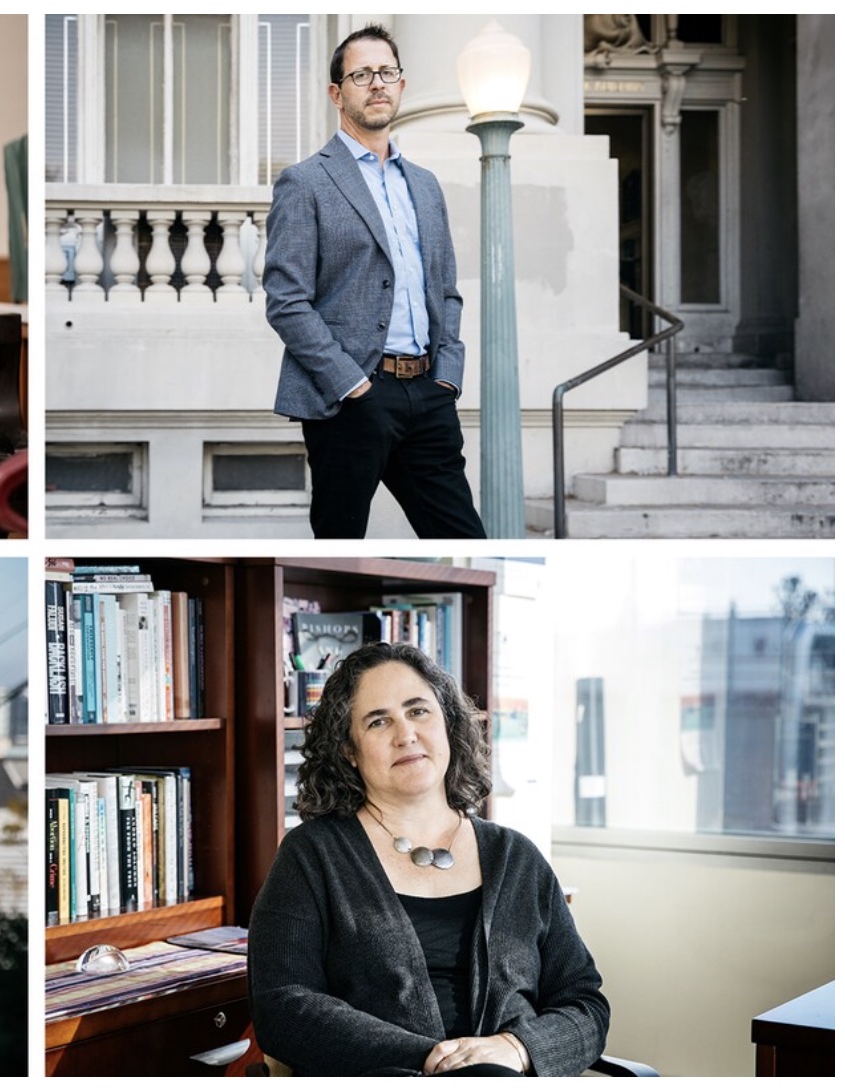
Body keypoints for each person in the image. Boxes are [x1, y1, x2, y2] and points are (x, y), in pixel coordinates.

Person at [249, 642, 608, 1076]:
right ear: (349, 750)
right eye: (379, 721)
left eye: (418, 711)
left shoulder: (516, 858)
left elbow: (584, 1003)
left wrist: (517, 1048)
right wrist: (435, 1061)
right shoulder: (313, 855)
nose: (406, 734)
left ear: (447, 723)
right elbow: (283, 1007)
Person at [265, 24, 487, 540]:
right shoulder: (306, 182)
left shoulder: (426, 186)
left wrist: (448, 375)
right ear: (337, 94)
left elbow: (446, 289)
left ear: (402, 85)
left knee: (464, 538)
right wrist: (352, 384)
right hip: (352, 399)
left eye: (387, 72)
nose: (378, 84)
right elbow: (286, 301)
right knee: (339, 543)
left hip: (429, 395)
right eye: (362, 74)